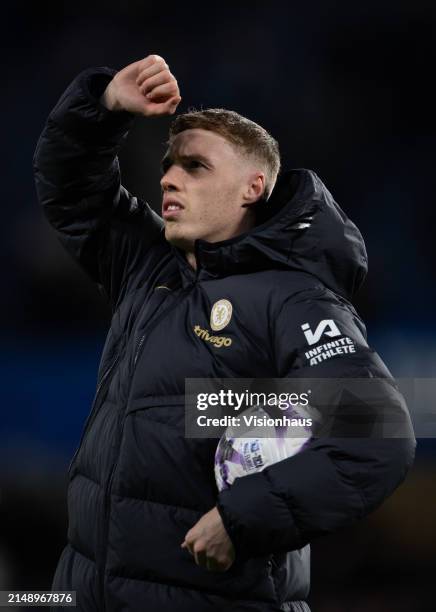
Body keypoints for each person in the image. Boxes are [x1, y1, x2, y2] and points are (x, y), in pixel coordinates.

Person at [33, 54, 416, 612]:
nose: (167, 176)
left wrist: (244, 520)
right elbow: (70, 191)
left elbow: (375, 433)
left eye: (195, 166)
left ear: (252, 187)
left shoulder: (295, 300)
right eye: (168, 164)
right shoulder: (149, 267)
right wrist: (105, 106)